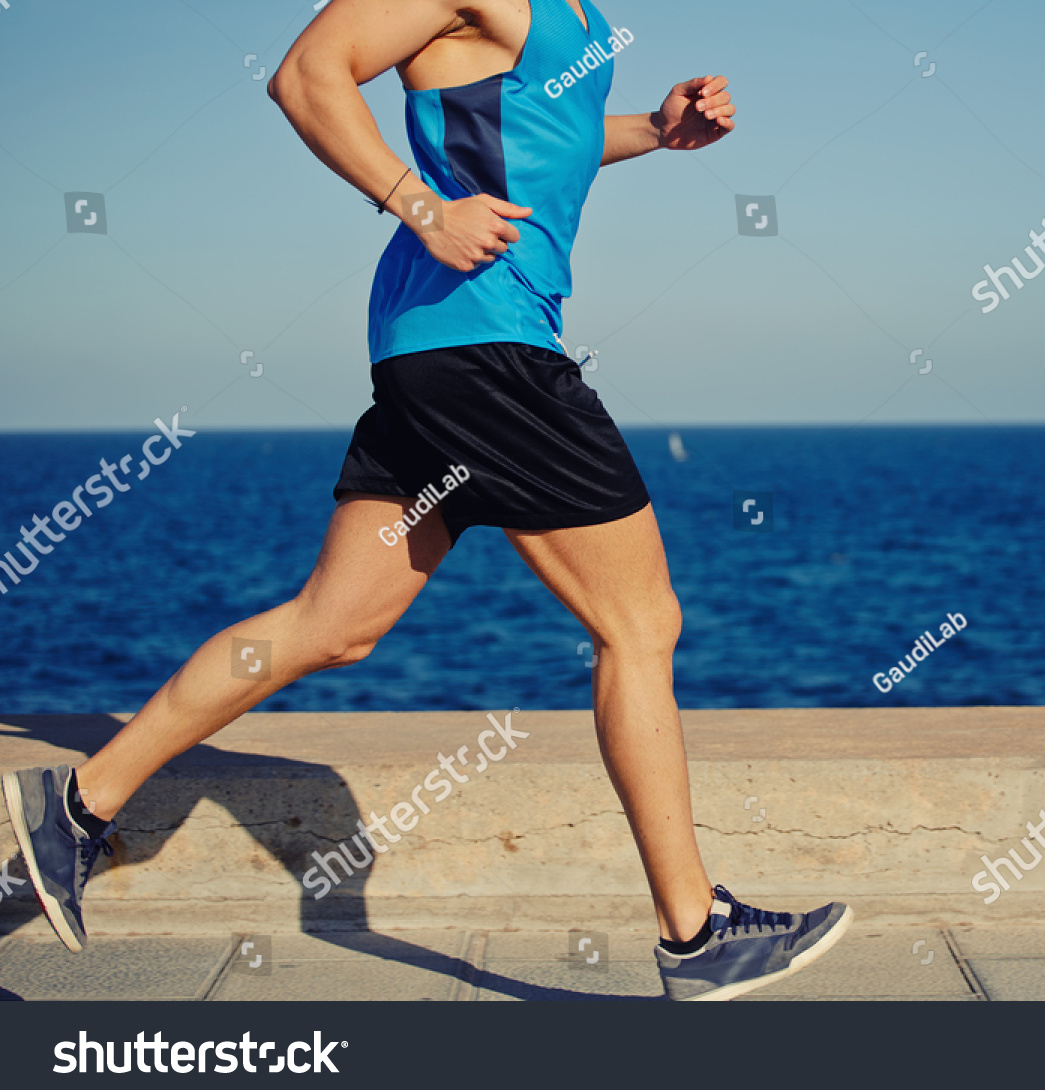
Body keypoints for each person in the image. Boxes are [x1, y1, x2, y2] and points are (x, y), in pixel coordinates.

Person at [2, 0, 850, 1002]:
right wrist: (421, 205)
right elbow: (308, 73)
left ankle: (75, 810)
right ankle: (696, 932)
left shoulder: (573, 14)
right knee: (639, 623)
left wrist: (659, 133)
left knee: (333, 627)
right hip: (489, 349)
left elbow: (541, 137)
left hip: (442, 351)